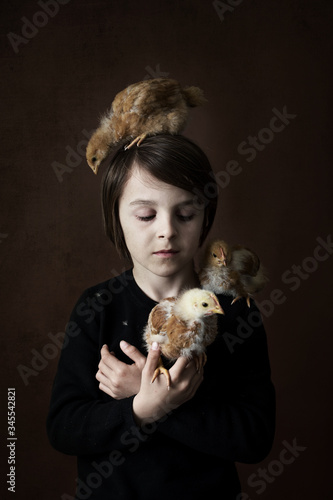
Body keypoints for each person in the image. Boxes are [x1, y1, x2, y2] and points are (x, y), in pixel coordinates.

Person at [47, 134, 275, 500]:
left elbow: (254, 439)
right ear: (116, 216)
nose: (167, 230)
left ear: (204, 217)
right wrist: (142, 408)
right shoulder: (98, 306)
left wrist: (153, 394)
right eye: (146, 215)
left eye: (185, 214)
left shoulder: (232, 312)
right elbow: (64, 427)